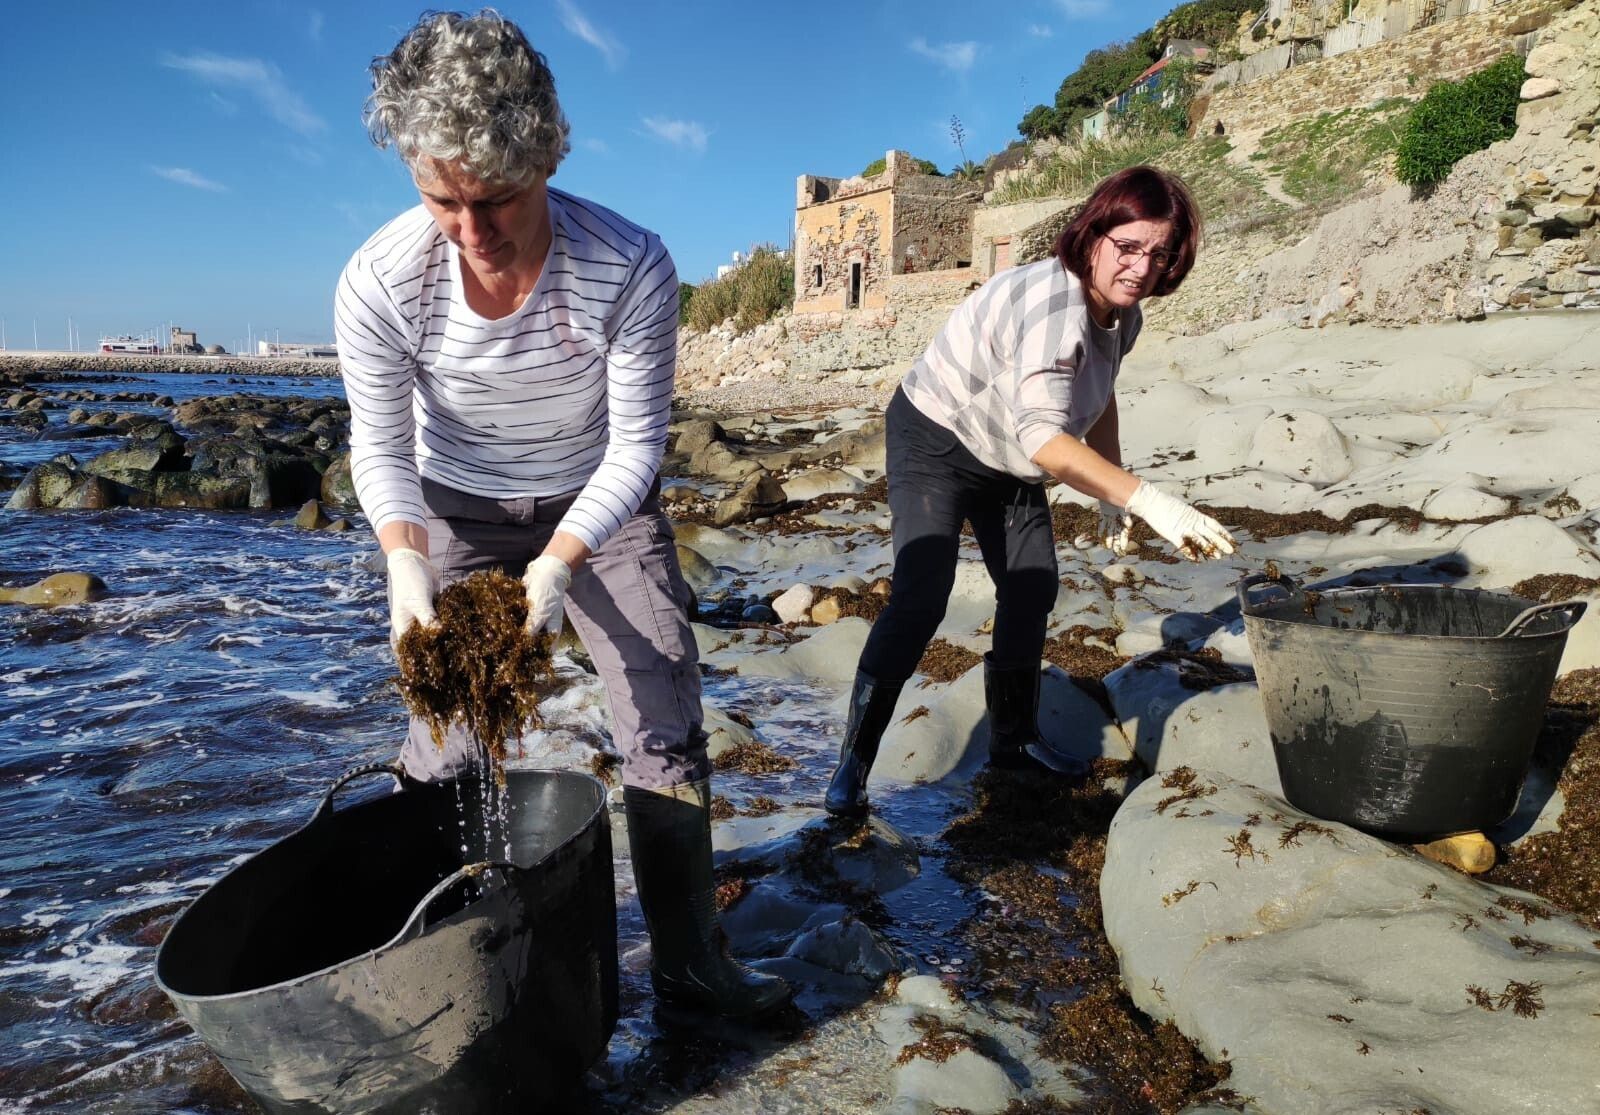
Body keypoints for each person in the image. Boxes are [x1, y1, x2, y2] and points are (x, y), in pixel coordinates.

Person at [335, 10, 790, 1020]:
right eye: (441, 199)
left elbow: (636, 448)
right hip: (454, 507)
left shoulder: (630, 264)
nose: (471, 230)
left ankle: (689, 962)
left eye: (495, 197)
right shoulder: (378, 280)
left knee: (660, 707)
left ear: (546, 155)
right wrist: (407, 565)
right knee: (447, 733)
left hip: (601, 503)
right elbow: (382, 448)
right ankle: (443, 974)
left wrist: (559, 560)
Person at [824, 166, 1236, 818]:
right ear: (1093, 235)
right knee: (922, 594)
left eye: (1158, 255)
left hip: (1008, 456)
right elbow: (1045, 439)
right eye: (1128, 247)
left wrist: (1109, 488)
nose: (1140, 268)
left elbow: (1097, 394)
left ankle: (1012, 742)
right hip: (937, 435)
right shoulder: (1056, 309)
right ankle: (854, 763)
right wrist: (1147, 498)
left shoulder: (1121, 316)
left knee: (1032, 584)